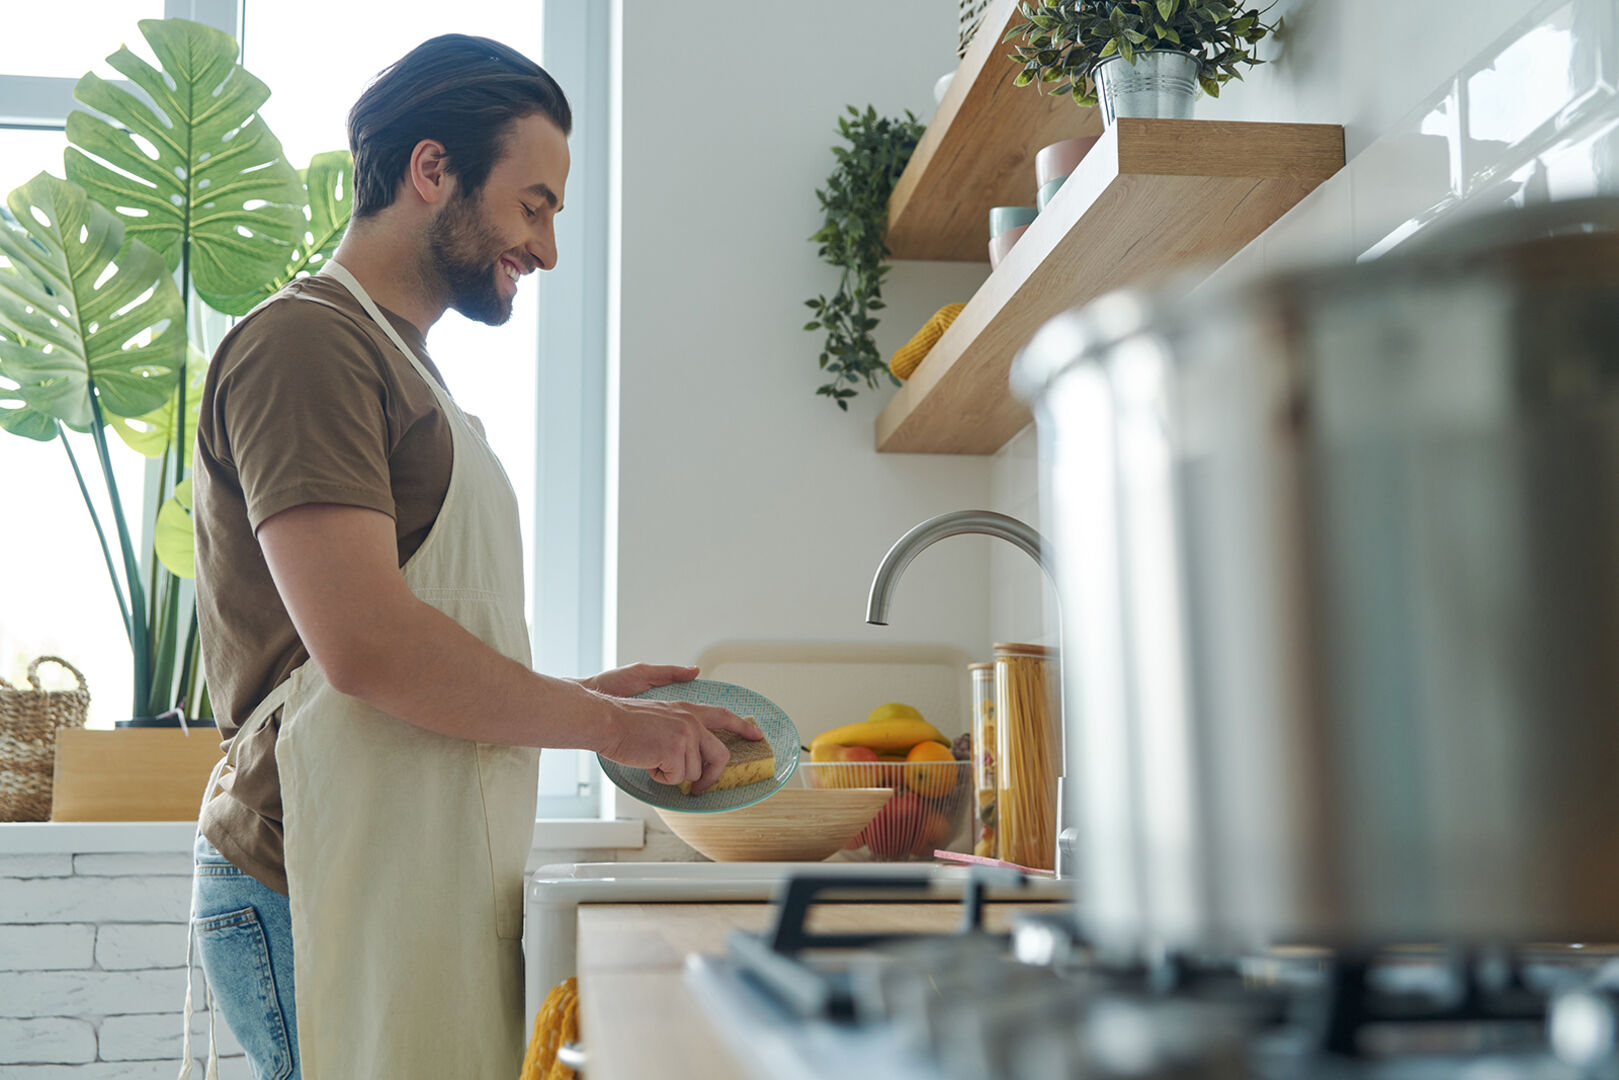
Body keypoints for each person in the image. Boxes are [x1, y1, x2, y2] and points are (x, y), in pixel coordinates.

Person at [182, 34, 759, 1080]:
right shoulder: (306, 345)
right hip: (310, 879)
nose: (546, 249)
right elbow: (366, 648)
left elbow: (407, 644)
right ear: (431, 168)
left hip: (391, 869)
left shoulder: (402, 368)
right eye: (532, 207)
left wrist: (587, 700)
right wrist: (611, 725)